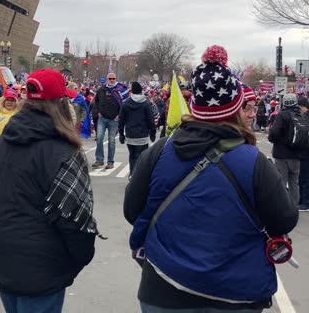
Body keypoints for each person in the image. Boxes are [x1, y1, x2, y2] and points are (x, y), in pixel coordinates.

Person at [124, 45, 298, 313]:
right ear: (235, 107)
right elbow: (284, 219)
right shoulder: (254, 162)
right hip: (234, 293)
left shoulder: (161, 151)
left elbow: (132, 209)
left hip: (163, 288)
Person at [0, 68, 97, 313]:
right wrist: (79, 258)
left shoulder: (3, 142)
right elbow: (75, 219)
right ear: (61, 104)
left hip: (1, 258)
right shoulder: (62, 151)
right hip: (42, 267)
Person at [268, 93, 302, 205]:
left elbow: (274, 132)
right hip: (296, 154)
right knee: (294, 182)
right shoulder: (300, 115)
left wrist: (272, 138)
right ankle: (293, 205)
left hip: (282, 154)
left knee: (281, 181)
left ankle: (282, 206)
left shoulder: (282, 115)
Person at [118, 82, 156, 179]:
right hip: (143, 134)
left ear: (132, 91)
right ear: (141, 91)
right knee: (142, 157)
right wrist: (153, 132)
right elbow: (150, 119)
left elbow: (121, 119)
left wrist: (121, 133)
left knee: (132, 155)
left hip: (130, 134)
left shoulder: (126, 103)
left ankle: (132, 173)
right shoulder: (146, 103)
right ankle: (139, 176)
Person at [92, 72, 129, 169]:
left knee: (111, 141)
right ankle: (99, 160)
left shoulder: (121, 90)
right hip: (102, 118)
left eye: (113, 78)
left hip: (114, 119)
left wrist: (119, 116)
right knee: (99, 138)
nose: (112, 80)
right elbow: (95, 102)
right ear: (107, 79)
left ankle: (110, 161)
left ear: (116, 79)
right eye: (110, 78)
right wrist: (98, 112)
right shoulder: (101, 89)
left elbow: (125, 105)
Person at [297, 96, 309, 211]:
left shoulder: (305, 118)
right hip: (303, 151)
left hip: (305, 152)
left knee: (304, 178)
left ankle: (305, 201)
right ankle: (302, 200)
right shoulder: (303, 117)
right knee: (301, 178)